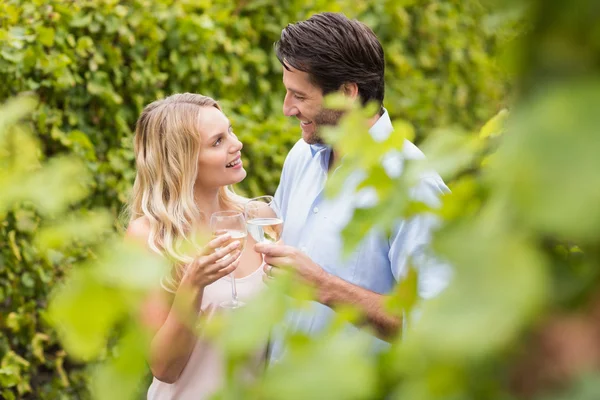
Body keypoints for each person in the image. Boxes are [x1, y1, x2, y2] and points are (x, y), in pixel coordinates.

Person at [255, 13, 451, 361]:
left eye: (298, 95)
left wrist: (325, 287)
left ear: (347, 93)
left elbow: (435, 327)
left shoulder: (413, 185)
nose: (287, 109)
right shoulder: (300, 157)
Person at [124, 93, 266, 399]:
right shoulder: (148, 238)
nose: (236, 144)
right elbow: (164, 367)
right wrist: (194, 282)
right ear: (182, 161)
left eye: (230, 131)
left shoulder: (260, 219)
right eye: (217, 141)